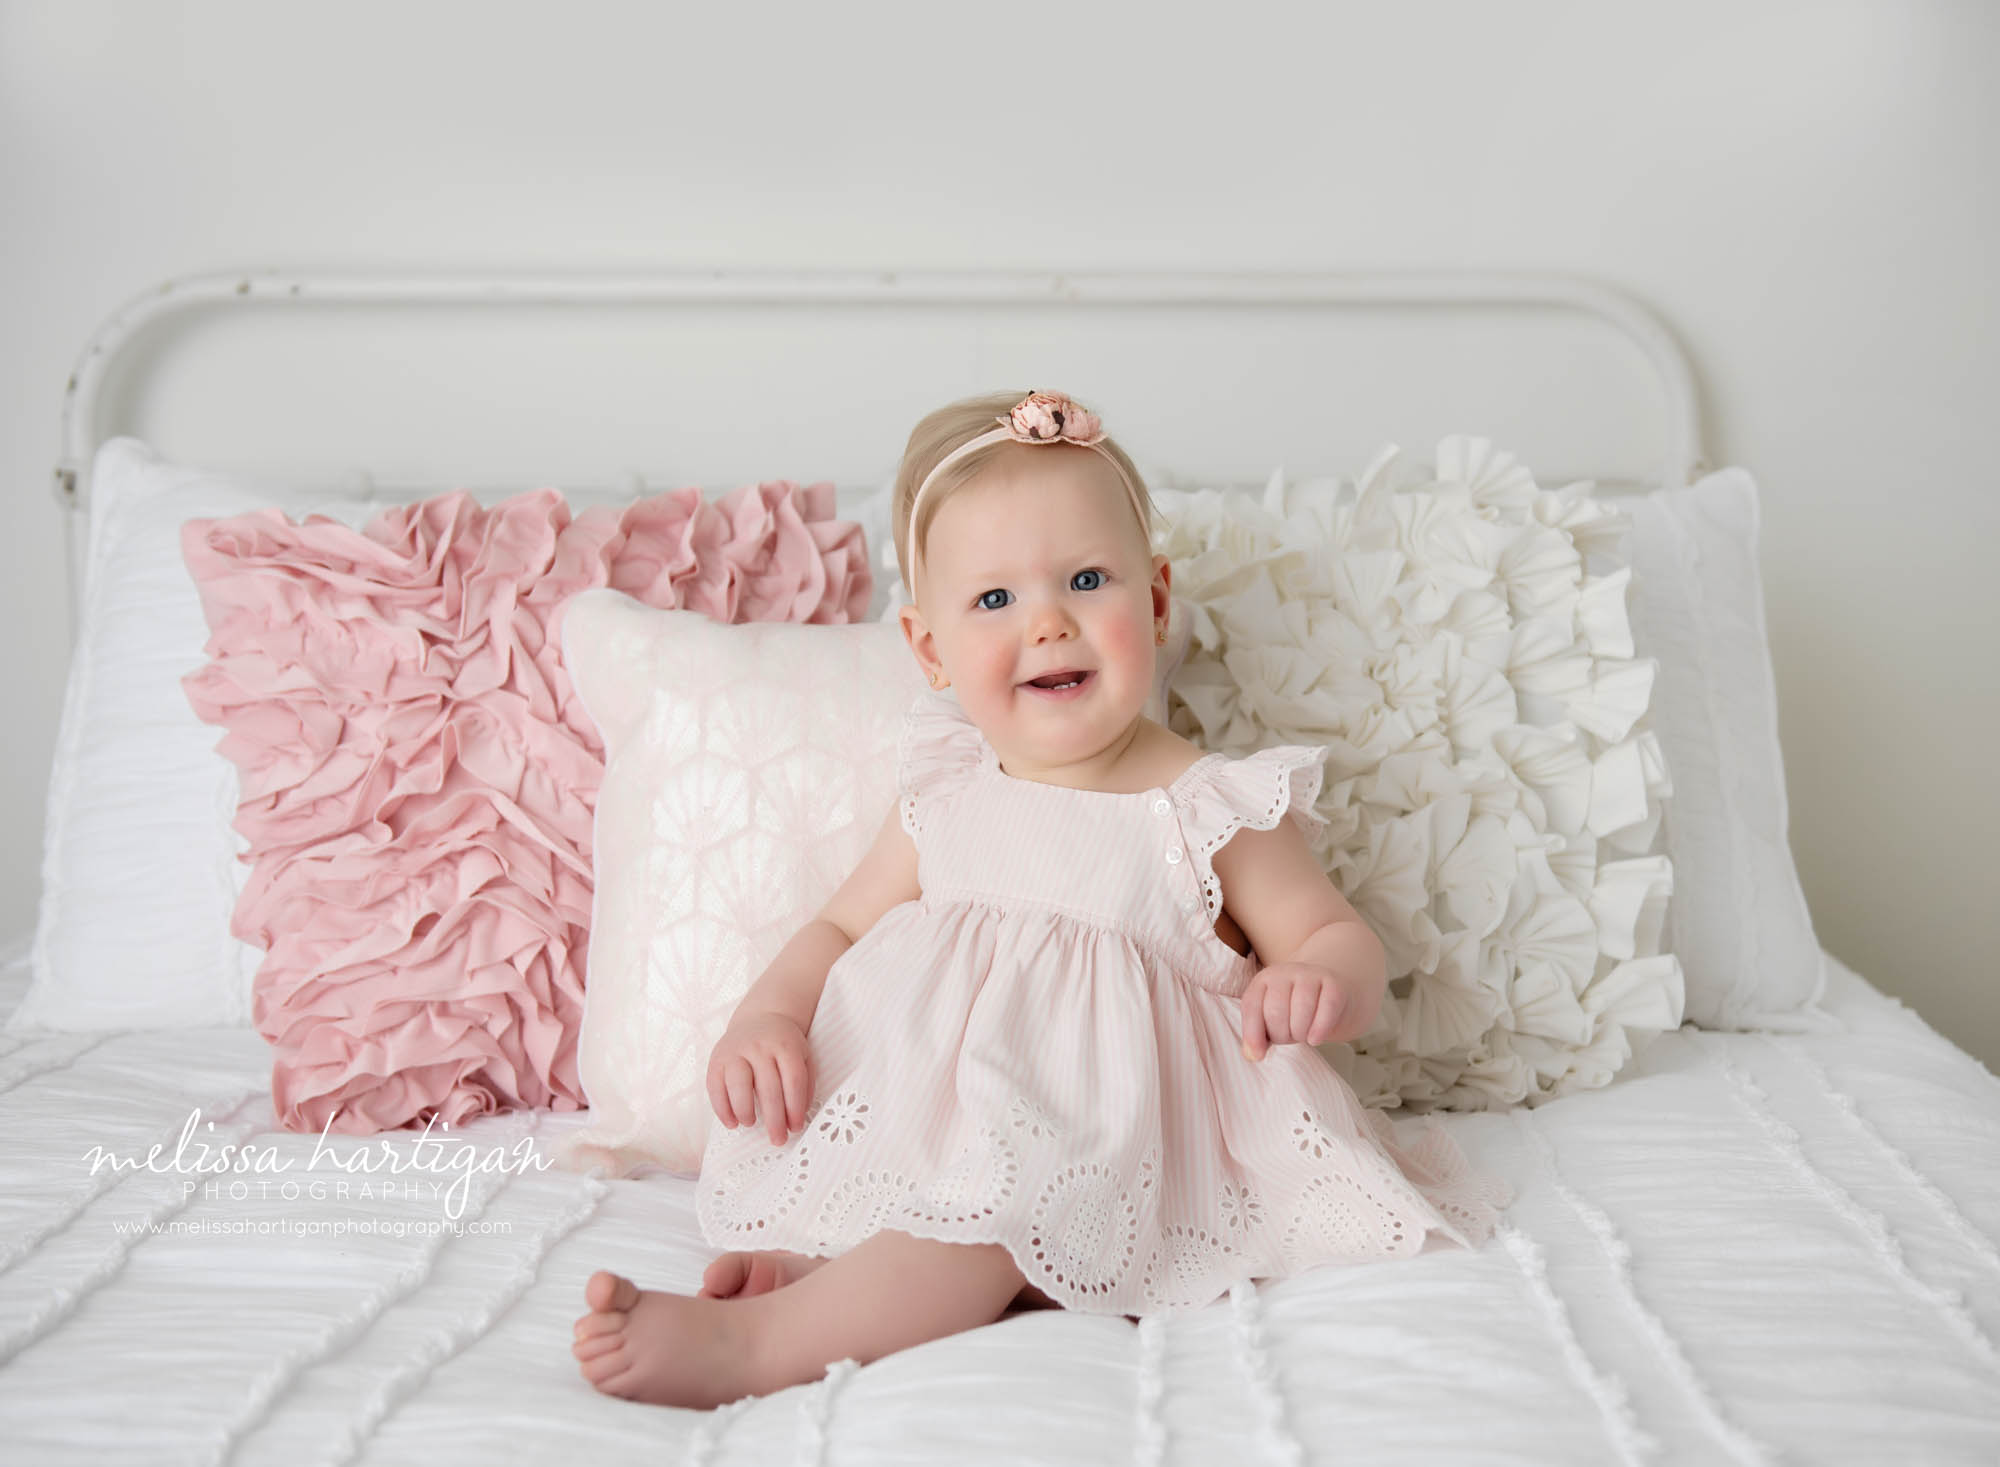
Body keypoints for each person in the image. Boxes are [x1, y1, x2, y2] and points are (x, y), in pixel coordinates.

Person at [572, 388, 1512, 1408]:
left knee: (1002, 1215)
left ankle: (761, 1347)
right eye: (992, 601)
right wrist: (768, 1016)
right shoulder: (945, 786)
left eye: (1084, 579)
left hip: (1107, 1137)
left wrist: (1320, 979)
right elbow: (840, 924)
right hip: (945, 1112)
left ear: (1153, 603)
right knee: (959, 1200)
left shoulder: (1205, 808)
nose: (1048, 622)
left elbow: (1332, 933)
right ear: (927, 649)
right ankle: (839, 1277)